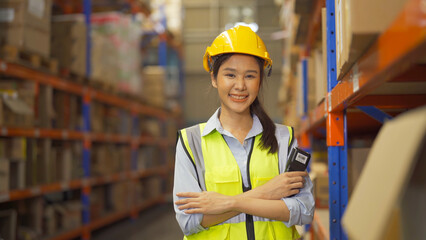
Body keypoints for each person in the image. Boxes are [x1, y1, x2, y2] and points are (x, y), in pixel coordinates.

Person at [173, 25, 314, 240]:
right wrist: (266, 193)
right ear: (214, 78)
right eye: (230, 74)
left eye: (250, 76)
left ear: (260, 80)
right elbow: (190, 221)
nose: (240, 85)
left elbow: (304, 209)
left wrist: (229, 202)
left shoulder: (283, 138)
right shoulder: (190, 142)